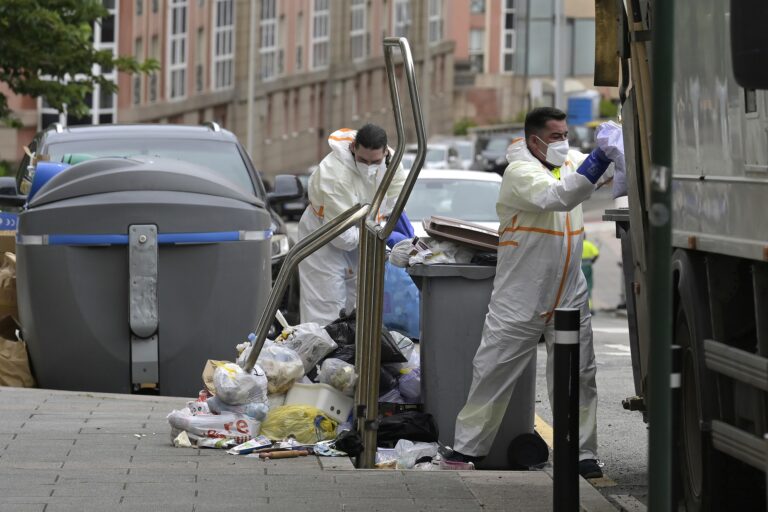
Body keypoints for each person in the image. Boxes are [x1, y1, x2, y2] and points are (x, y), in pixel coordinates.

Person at [446, 107, 623, 479]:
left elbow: (605, 174)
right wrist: (598, 159)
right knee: (493, 371)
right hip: (521, 295)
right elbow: (558, 197)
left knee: (578, 376)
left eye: (566, 135)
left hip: (569, 293)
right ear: (534, 141)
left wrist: (619, 145)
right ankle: (467, 449)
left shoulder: (569, 161)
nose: (564, 142)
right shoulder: (519, 174)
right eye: (556, 136)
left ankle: (580, 453)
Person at [298, 124, 406, 325]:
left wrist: (385, 228)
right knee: (326, 305)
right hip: (324, 234)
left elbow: (394, 203)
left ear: (385, 152)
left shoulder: (392, 164)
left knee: (360, 300)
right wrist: (378, 232)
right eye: (363, 160)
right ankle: (322, 353)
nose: (368, 166)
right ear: (353, 148)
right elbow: (342, 238)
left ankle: (351, 353)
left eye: (375, 161)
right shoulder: (335, 176)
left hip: (363, 229)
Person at [581, 237, 600, 313]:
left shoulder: (577, 245)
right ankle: (589, 307)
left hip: (579, 268)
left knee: (579, 286)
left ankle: (580, 307)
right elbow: (596, 253)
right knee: (588, 286)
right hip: (588, 267)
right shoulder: (589, 244)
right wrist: (592, 261)